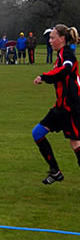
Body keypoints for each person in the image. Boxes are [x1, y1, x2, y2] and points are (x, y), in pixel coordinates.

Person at [31, 24, 80, 185]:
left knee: (76, 143)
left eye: (52, 38)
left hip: (71, 108)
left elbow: (64, 71)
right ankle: (55, 171)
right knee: (37, 133)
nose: (50, 41)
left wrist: (44, 77)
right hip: (60, 107)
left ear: (62, 39)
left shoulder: (68, 56)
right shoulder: (60, 55)